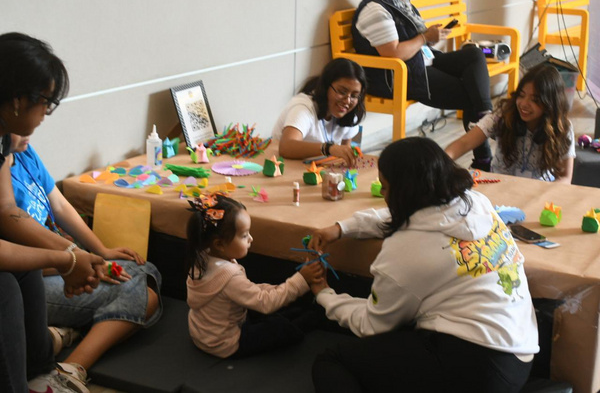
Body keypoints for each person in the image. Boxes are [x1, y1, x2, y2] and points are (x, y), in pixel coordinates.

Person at [307, 137, 538, 393]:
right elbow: (410, 217)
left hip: (477, 368)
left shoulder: (403, 251)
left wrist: (324, 294)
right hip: (520, 354)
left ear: (403, 192)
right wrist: (342, 228)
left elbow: (371, 326)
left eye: (385, 188)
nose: (382, 194)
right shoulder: (475, 203)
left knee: (331, 361)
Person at [9, 133, 163, 393]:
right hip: (34, 279)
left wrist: (101, 251)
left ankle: (59, 334)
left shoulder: (25, 152)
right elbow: (17, 259)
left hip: (64, 263)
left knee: (145, 269)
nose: (30, 130)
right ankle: (70, 370)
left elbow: (59, 205)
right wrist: (75, 265)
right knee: (145, 295)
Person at [0, 32, 105, 393]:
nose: (47, 111)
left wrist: (73, 253)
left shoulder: (4, 138)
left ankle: (41, 372)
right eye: (45, 101)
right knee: (4, 291)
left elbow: (6, 211)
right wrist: (65, 260)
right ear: (16, 100)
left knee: (25, 272)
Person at [352, 0, 493, 170]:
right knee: (471, 93)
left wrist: (431, 37)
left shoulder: (396, 2)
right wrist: (425, 37)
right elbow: (394, 53)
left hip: (421, 62)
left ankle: (484, 117)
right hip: (398, 75)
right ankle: (484, 146)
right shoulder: (375, 10)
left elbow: (414, 44)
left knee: (474, 55)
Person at [186, 192, 324, 358]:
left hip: (202, 333)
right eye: (244, 235)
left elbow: (248, 291)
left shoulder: (202, 257)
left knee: (277, 306)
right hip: (224, 343)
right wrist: (301, 279)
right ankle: (315, 318)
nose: (251, 239)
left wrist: (278, 289)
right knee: (278, 327)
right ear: (220, 244)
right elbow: (265, 303)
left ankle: (301, 311)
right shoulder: (229, 276)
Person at [445, 64, 575, 183]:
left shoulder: (563, 128)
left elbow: (564, 177)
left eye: (535, 100)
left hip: (538, 192)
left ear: (550, 104)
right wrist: (441, 163)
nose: (524, 104)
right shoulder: (503, 115)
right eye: (521, 95)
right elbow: (464, 143)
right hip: (499, 186)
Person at [272, 58, 367, 167]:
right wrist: (328, 148)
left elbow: (345, 155)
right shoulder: (303, 108)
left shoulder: (349, 113)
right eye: (342, 92)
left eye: (354, 95)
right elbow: (286, 147)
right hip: (283, 168)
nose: (347, 101)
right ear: (326, 87)